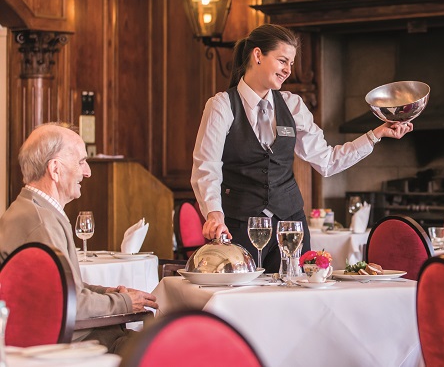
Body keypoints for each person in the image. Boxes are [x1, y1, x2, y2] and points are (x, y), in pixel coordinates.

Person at [191, 24, 413, 273]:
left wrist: (375, 135)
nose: (288, 70)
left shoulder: (292, 105)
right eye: (282, 61)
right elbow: (206, 166)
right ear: (257, 55)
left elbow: (327, 161)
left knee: (293, 291)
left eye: (291, 63)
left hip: (290, 228)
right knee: (241, 294)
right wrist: (214, 213)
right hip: (240, 227)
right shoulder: (222, 105)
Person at [0, 123, 158, 354]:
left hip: (86, 335)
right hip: (74, 346)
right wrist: (125, 302)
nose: (88, 172)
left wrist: (107, 293)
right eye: (81, 161)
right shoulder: (40, 222)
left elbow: (65, 289)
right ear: (55, 169)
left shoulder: (36, 210)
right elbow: (65, 303)